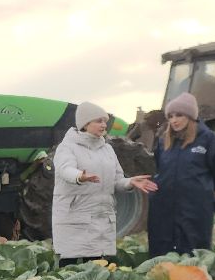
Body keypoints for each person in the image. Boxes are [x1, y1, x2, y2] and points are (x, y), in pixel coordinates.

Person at [51, 102, 156, 266]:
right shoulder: (67, 148)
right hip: (74, 216)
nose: (103, 125)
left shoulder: (107, 149)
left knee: (95, 266)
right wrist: (80, 176)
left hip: (101, 216)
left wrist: (130, 182)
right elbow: (65, 170)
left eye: (104, 121)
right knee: (69, 266)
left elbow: (116, 180)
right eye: (98, 121)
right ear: (85, 124)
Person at [147, 92, 215, 257]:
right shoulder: (163, 142)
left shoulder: (208, 139)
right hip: (164, 205)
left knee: (193, 248)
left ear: (191, 117)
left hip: (195, 205)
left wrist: (201, 191)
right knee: (162, 248)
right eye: (171, 116)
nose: (174, 120)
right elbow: (158, 169)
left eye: (179, 115)